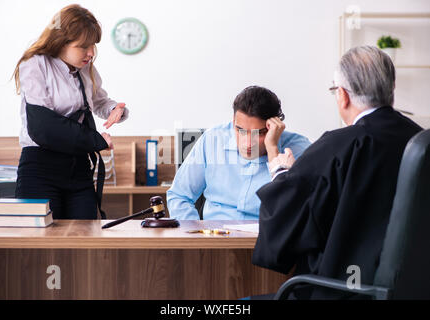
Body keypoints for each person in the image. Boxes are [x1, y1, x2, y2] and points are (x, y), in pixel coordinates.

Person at [252, 46, 422, 299]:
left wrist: (280, 170)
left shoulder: (338, 145)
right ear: (390, 90)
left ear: (342, 95)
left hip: (344, 291)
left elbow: (288, 218)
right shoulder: (421, 141)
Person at [12, 4, 129, 219]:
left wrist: (115, 110)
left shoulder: (87, 69)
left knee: (85, 238)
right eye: (83, 46)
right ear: (61, 42)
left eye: (93, 45)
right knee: (41, 244)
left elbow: (99, 100)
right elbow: (44, 127)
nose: (91, 53)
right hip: (41, 168)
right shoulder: (36, 65)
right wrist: (95, 140)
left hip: (79, 168)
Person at [167, 86, 311, 220]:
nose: (247, 143)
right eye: (240, 130)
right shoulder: (212, 140)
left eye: (259, 133)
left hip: (268, 242)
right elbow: (179, 196)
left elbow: (295, 211)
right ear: (233, 121)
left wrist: (272, 150)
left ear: (274, 126)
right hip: (215, 240)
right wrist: (197, 237)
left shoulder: (298, 149)